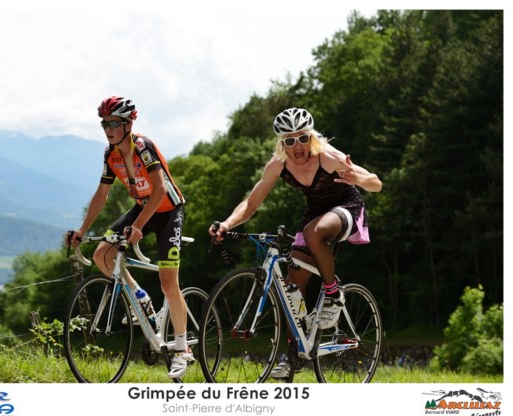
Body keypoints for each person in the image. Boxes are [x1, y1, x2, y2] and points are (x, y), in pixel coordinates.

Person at [209, 107, 382, 379]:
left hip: (347, 208)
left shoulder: (327, 156)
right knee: (291, 287)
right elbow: (251, 203)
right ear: (281, 143)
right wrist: (227, 224)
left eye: (302, 138)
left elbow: (376, 183)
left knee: (314, 233)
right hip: (315, 215)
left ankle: (334, 295)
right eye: (289, 140)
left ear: (310, 137)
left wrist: (358, 178)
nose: (297, 146)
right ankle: (294, 356)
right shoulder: (278, 165)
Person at [69, 96, 193, 379]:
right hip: (142, 208)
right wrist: (83, 229)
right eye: (104, 123)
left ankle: (183, 349)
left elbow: (160, 190)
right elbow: (102, 194)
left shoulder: (142, 147)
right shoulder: (109, 154)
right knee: (103, 253)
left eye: (113, 123)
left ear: (128, 123)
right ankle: (140, 297)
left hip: (168, 211)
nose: (108, 128)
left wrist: (138, 226)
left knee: (168, 283)